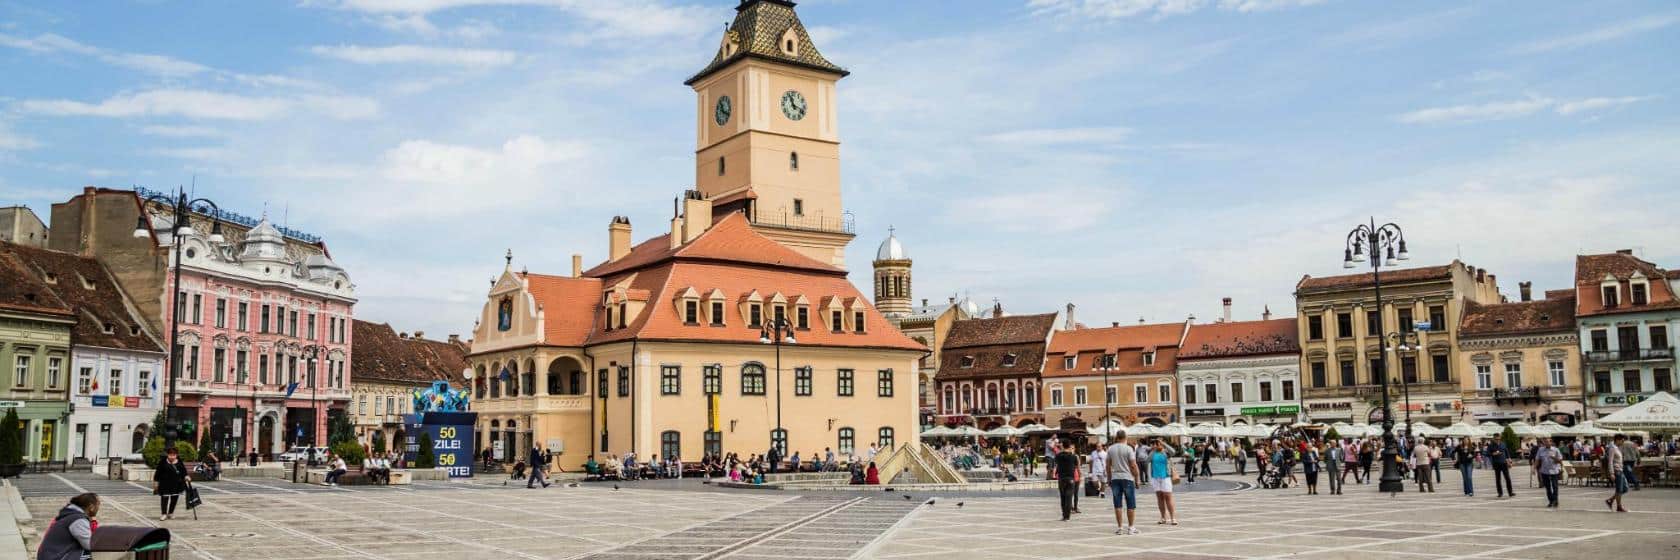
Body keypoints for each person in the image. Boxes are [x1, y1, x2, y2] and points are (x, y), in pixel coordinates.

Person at [37, 493, 99, 560]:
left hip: (50, 555)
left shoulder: (69, 514)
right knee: (97, 554)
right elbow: (90, 545)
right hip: (55, 557)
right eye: (98, 504)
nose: (98, 508)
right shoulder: (78, 519)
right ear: (91, 507)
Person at [1106, 430, 1141, 536]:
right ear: (1126, 437)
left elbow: (1108, 466)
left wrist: (1109, 478)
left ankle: (1120, 527)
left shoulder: (1111, 449)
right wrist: (1137, 478)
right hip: (1127, 478)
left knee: (1118, 504)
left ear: (1116, 437)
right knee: (1130, 503)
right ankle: (1131, 528)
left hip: (1115, 478)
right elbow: (1133, 465)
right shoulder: (1129, 449)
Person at [153, 448, 190, 520]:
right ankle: (164, 514)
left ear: (176, 455)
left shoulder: (179, 462)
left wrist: (186, 476)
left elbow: (184, 471)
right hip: (165, 483)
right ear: (167, 455)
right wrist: (155, 482)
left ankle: (170, 513)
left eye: (174, 455)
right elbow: (158, 473)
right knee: (164, 498)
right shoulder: (163, 462)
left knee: (174, 498)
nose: (172, 457)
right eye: (170, 455)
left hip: (177, 484)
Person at [1149, 440, 1178, 525]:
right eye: (1155, 444)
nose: (1157, 445)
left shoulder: (1166, 453)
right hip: (1155, 477)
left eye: (1158, 444)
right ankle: (1163, 517)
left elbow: (1173, 452)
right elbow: (1146, 460)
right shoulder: (1153, 453)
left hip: (1166, 476)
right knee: (1160, 498)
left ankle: (1173, 518)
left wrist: (1164, 443)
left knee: (1168, 497)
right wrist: (1153, 450)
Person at [1532, 438, 1563, 508]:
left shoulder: (1556, 450)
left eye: (1547, 442)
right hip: (1544, 471)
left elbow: (1560, 460)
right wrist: (1534, 468)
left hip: (1554, 471)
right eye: (1545, 442)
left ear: (1551, 442)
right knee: (1548, 487)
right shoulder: (1540, 450)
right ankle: (1551, 501)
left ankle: (1555, 500)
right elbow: (1537, 459)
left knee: (1555, 487)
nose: (1546, 443)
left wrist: (1554, 458)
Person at [1053, 444, 1080, 521]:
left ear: (1063, 447)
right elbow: (1076, 466)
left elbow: (1056, 463)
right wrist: (1080, 476)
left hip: (1061, 479)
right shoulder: (1074, 456)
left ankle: (1064, 515)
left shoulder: (1058, 456)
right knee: (1069, 497)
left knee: (1063, 497)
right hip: (1071, 479)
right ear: (1068, 447)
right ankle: (1067, 517)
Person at [1605, 434, 1628, 512]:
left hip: (1620, 470)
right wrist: (1611, 473)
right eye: (1622, 440)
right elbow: (1610, 461)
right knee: (1619, 489)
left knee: (1625, 488)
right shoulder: (1612, 448)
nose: (1623, 442)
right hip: (1616, 471)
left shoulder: (1617, 448)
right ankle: (1619, 507)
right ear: (1617, 440)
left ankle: (1610, 500)